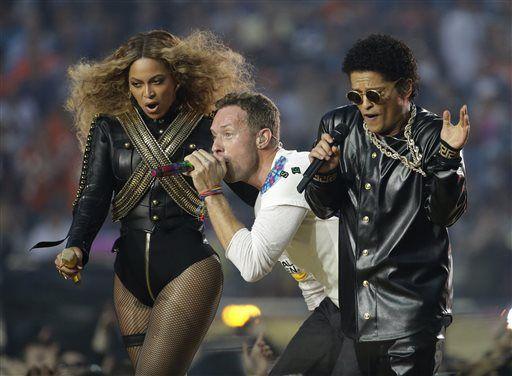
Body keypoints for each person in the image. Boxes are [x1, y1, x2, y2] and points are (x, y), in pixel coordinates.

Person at [32, 30, 254, 375]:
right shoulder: (108, 127)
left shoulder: (207, 127)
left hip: (189, 268)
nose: (147, 94)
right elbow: (92, 195)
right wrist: (76, 246)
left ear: (178, 79)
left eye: (157, 81)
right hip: (129, 276)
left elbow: (250, 188)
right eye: (137, 84)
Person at [305, 34, 469, 375]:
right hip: (357, 313)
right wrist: (324, 175)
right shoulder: (339, 126)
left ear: (405, 89)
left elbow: (445, 214)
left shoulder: (435, 136)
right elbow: (324, 208)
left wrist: (448, 159)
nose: (364, 104)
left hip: (412, 313)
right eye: (356, 95)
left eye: (374, 94)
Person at [184, 92, 343, 375]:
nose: (216, 148)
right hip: (337, 309)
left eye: (228, 134)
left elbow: (252, 265)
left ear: (263, 138)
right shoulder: (266, 196)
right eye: (214, 137)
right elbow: (311, 282)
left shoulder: (291, 175)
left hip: (369, 306)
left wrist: (210, 191)